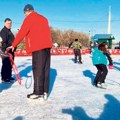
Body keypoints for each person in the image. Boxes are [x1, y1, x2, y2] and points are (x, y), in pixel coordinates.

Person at [7, 4, 52, 100]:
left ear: (26, 12)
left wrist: (14, 44)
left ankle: (37, 92)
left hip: (38, 47)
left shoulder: (29, 19)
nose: (24, 15)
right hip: (47, 48)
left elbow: (22, 32)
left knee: (37, 70)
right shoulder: (44, 18)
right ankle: (45, 92)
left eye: (24, 13)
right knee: (45, 70)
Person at [0, 18, 15, 83]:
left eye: (10, 23)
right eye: (8, 23)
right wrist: (5, 49)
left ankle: (9, 76)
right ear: (5, 23)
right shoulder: (4, 31)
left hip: (11, 50)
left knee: (10, 63)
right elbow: (3, 41)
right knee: (6, 63)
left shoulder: (9, 31)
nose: (9, 24)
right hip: (5, 50)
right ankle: (4, 77)